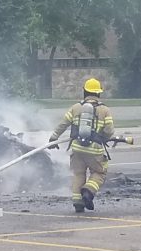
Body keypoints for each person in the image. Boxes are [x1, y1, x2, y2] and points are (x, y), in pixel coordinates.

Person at [49, 78, 115, 213]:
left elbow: (63, 124)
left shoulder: (76, 107)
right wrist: (104, 138)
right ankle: (88, 191)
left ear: (85, 92)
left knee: (78, 174)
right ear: (98, 94)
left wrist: (54, 137)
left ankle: (78, 203)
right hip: (94, 150)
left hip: (77, 149)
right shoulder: (104, 110)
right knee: (99, 172)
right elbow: (109, 130)